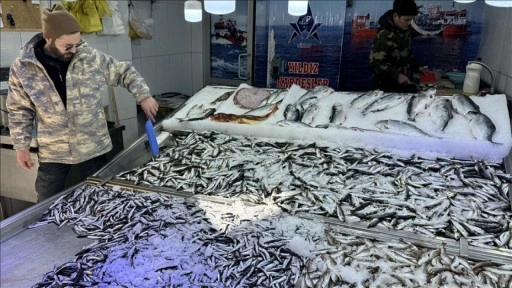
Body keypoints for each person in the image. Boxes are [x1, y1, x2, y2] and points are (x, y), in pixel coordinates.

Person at [6, 3, 159, 202]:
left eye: (77, 44)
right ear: (49, 39)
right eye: (68, 46)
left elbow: (124, 72)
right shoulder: (24, 66)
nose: (74, 50)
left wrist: (143, 95)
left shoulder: (89, 58)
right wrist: (21, 146)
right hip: (54, 152)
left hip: (93, 145)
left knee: (101, 199)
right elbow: (19, 109)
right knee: (46, 203)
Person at [369, 0, 426, 93]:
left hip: (401, 87)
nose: (409, 23)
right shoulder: (384, 35)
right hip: (384, 90)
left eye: (411, 20)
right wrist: (397, 75)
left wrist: (416, 67)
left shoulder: (404, 30)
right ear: (395, 16)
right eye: (406, 20)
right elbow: (375, 64)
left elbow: (406, 52)